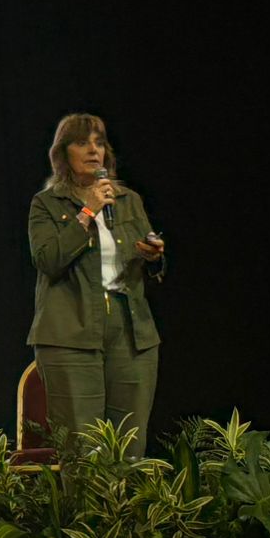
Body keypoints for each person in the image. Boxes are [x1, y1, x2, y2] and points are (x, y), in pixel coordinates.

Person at [26, 114, 167, 455]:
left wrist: (153, 255)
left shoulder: (128, 200)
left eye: (99, 143)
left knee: (129, 446)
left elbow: (147, 261)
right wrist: (87, 212)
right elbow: (48, 260)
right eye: (81, 143)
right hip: (70, 331)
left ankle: (125, 495)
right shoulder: (46, 203)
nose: (93, 150)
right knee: (83, 448)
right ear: (64, 153)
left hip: (131, 331)